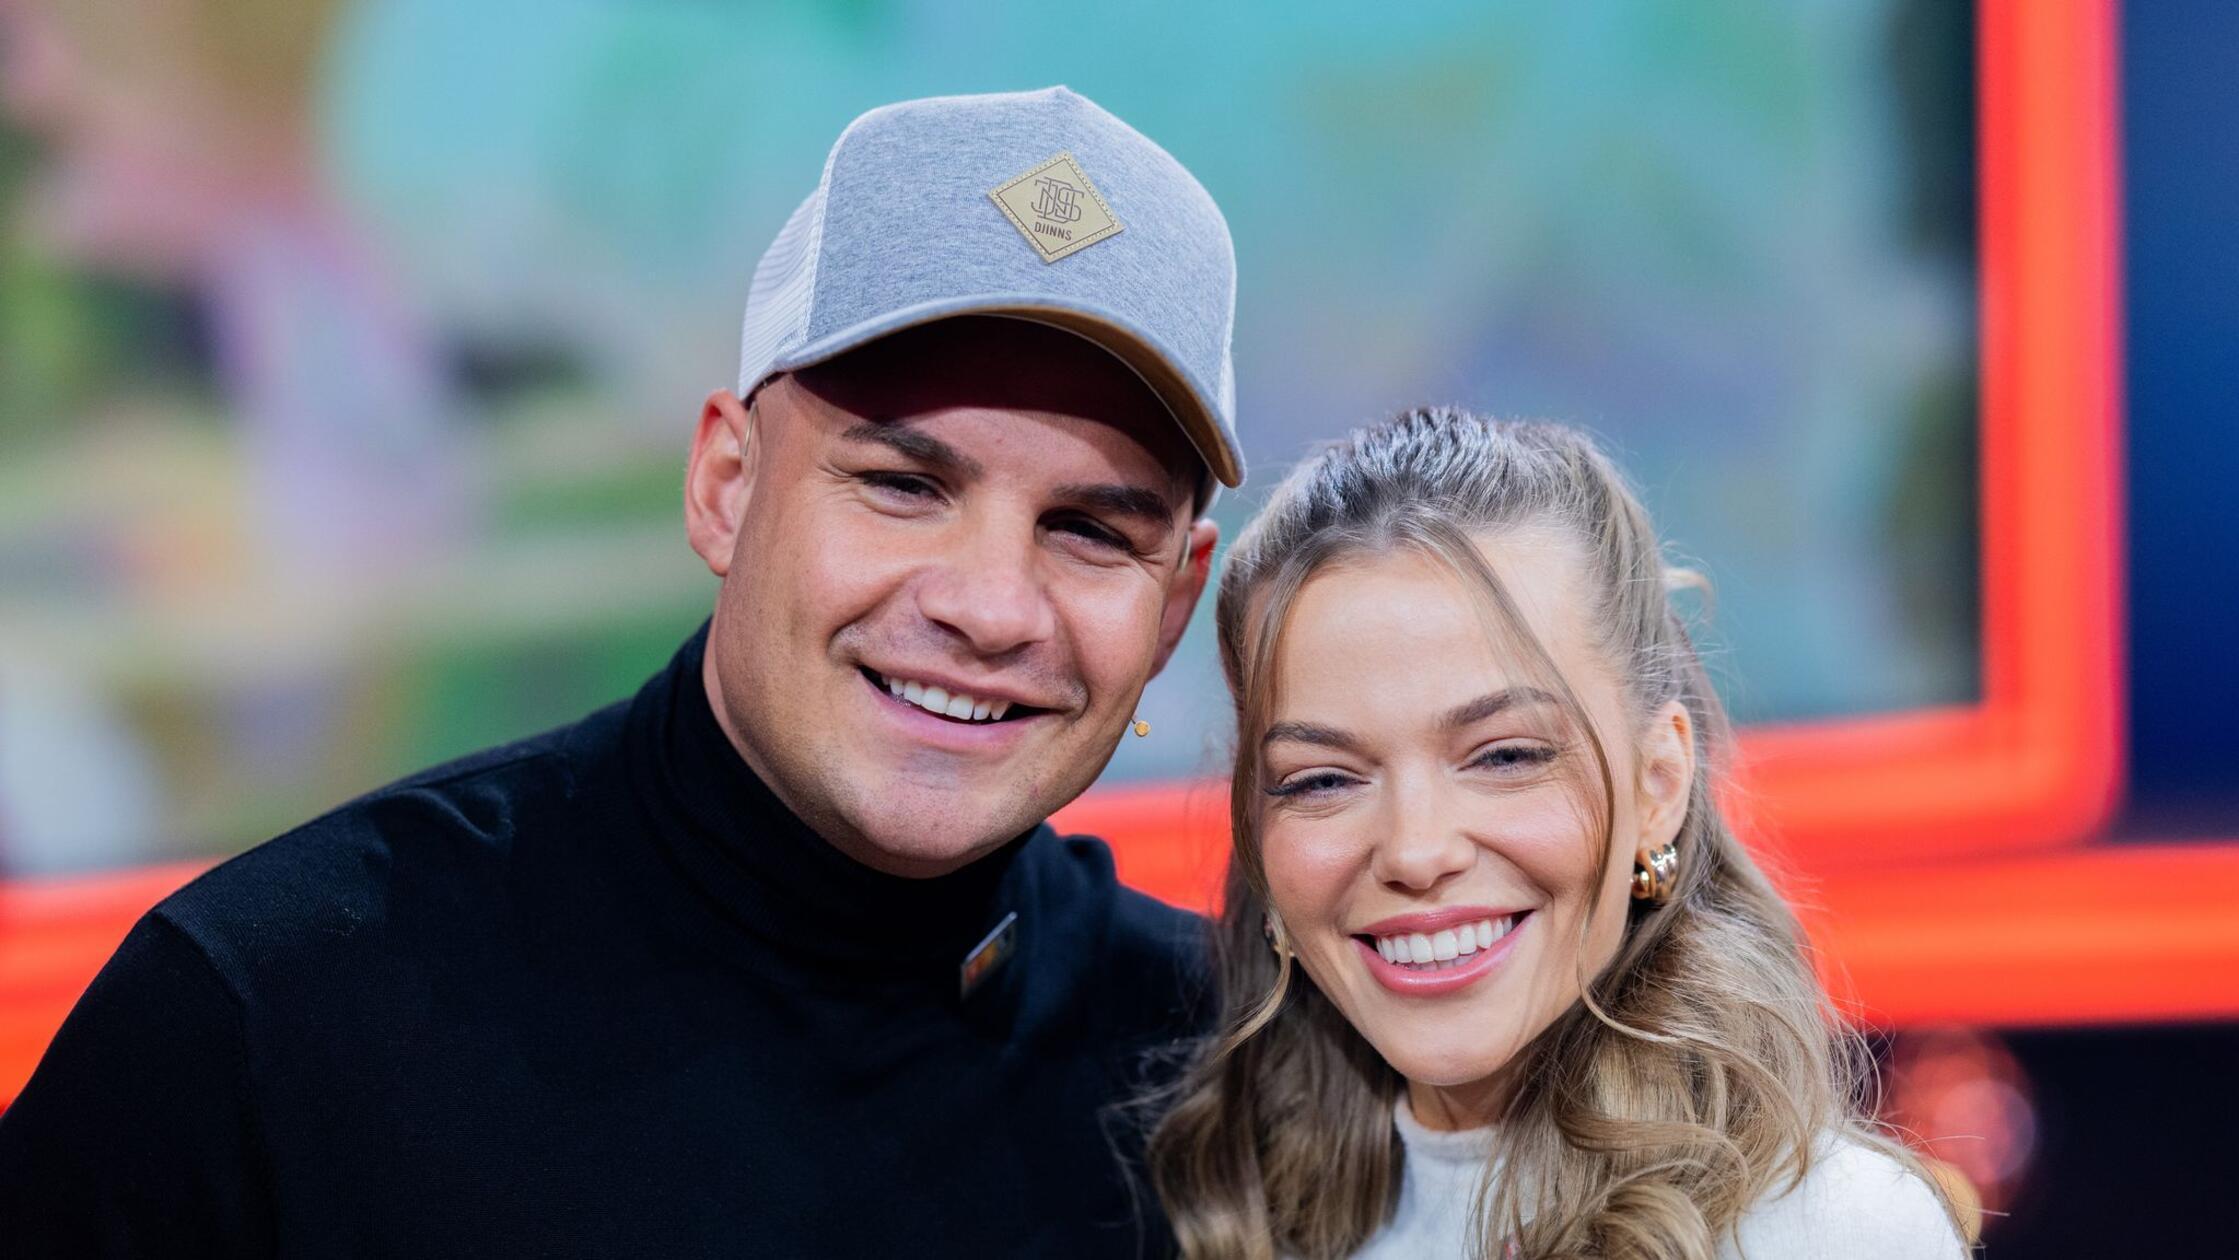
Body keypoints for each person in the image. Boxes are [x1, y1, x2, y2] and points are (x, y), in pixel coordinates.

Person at [0, 86, 1240, 1257]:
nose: (989, 607)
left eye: (1090, 530)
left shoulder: (1239, 1069)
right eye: (903, 485)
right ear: (724, 486)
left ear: (1174, 601)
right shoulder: (266, 1021)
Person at [1148, 408, 1970, 1259]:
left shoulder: (1828, 1230)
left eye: (1505, 756)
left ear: (1658, 782)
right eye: (1322, 780)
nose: (1415, 852)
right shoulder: (1226, 1217)